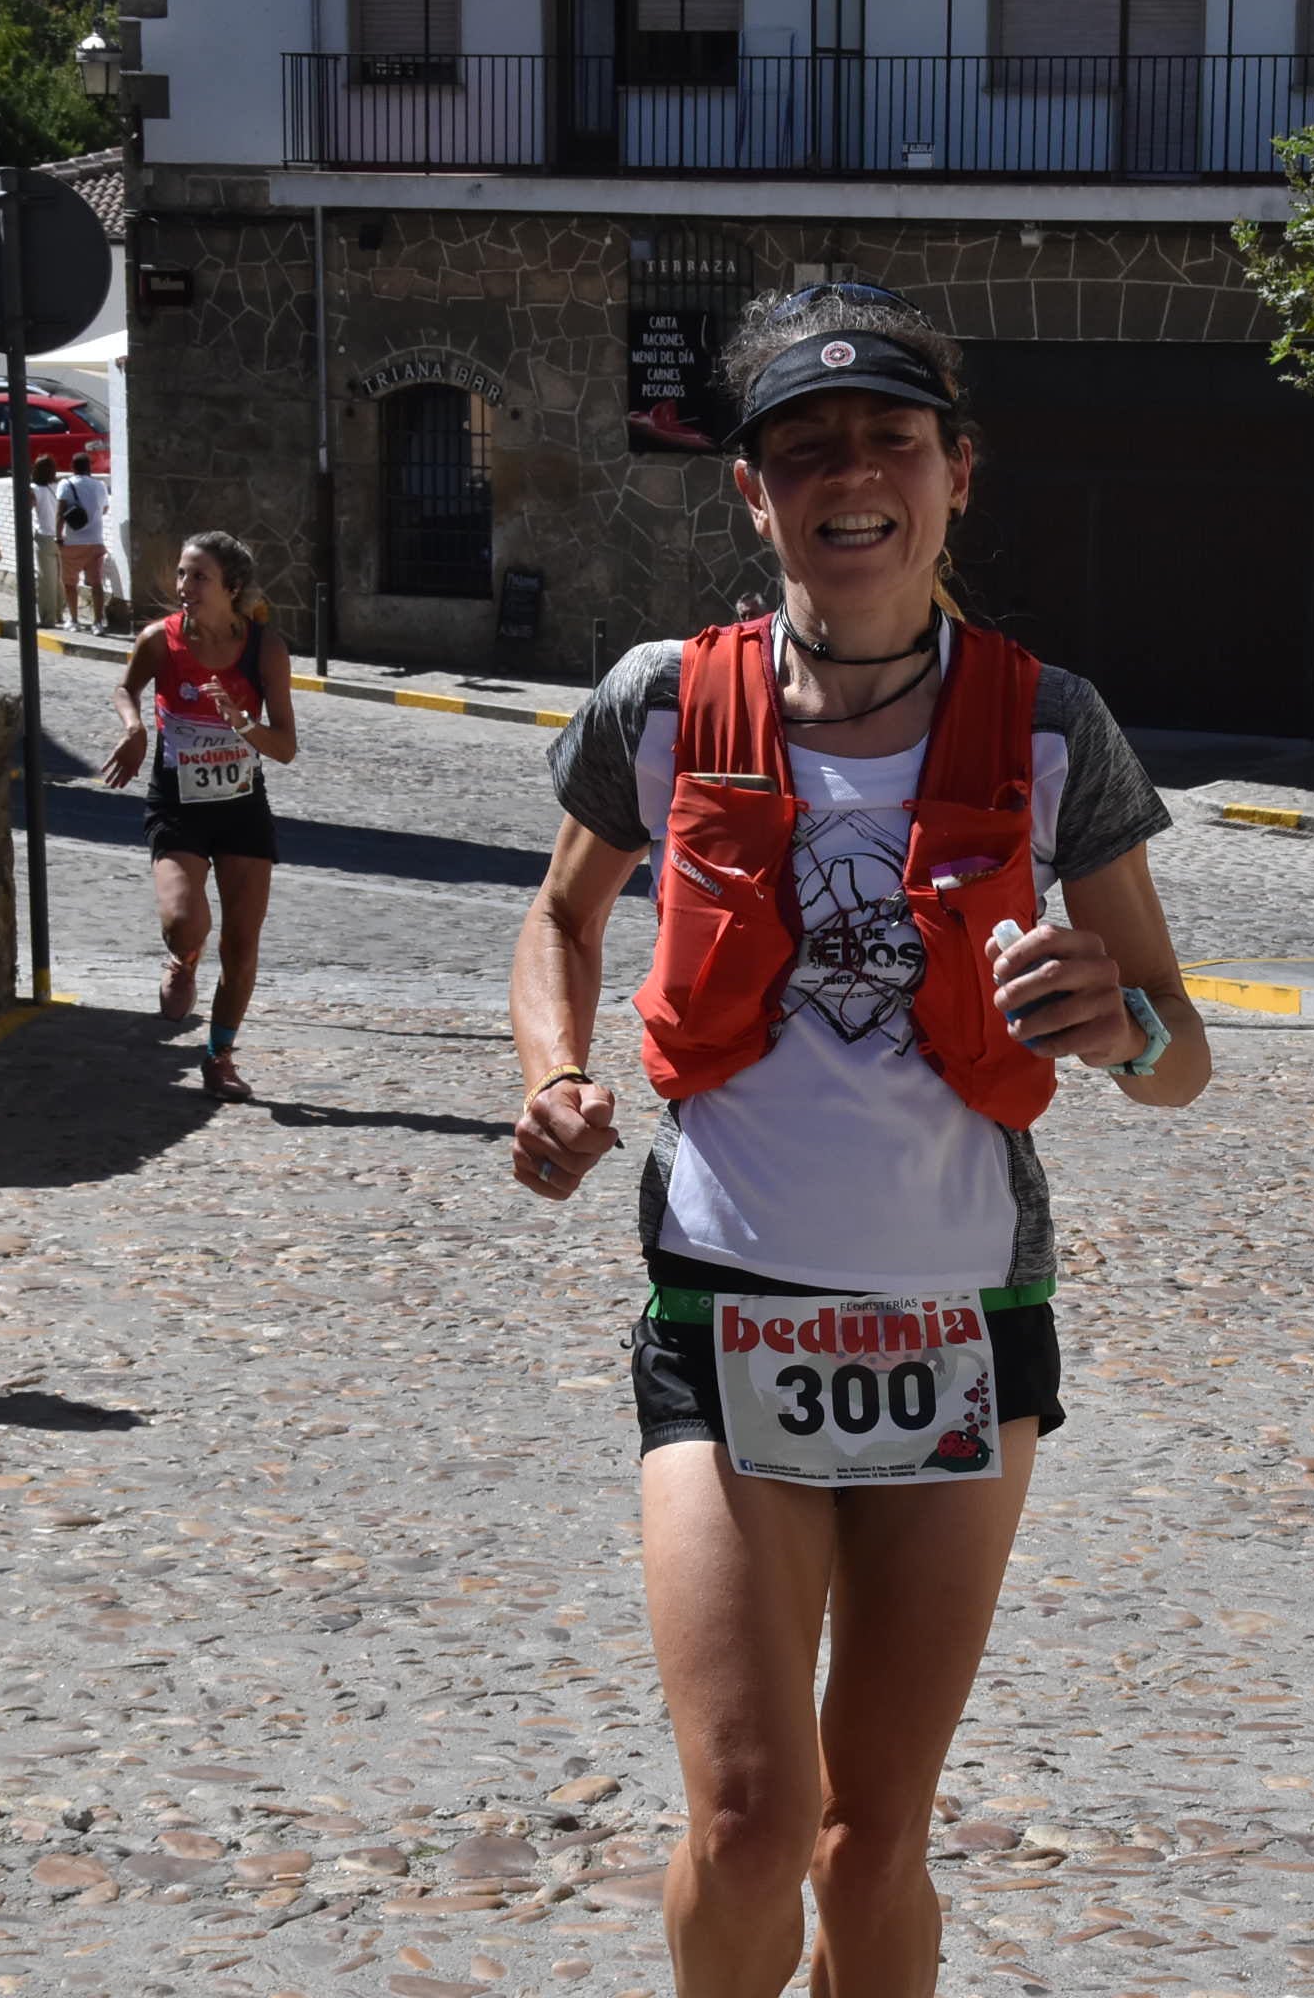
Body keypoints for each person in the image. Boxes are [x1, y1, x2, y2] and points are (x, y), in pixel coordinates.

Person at [510, 281, 1208, 1997]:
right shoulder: (662, 706)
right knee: (751, 1819)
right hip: (723, 1312)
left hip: (963, 1326)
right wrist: (551, 1073)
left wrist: (1114, 1022)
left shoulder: (1052, 728)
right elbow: (560, 920)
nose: (851, 473)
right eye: (801, 447)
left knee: (870, 1836)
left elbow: (1178, 1052)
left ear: (954, 473)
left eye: (889, 438)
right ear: (752, 493)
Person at [97, 532, 298, 1102]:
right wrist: (134, 729)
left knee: (241, 940)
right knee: (186, 920)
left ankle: (219, 1056)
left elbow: (284, 746)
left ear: (231, 588)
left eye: (199, 577)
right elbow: (125, 687)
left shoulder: (265, 650)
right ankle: (183, 959)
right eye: (182, 574)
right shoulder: (161, 641)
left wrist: (241, 724)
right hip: (177, 803)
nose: (184, 587)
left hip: (241, 808)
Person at [57, 451, 110, 631]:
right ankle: (98, 622)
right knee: (96, 584)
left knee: (70, 583)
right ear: (90, 468)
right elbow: (104, 509)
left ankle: (74, 620)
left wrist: (58, 536)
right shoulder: (100, 485)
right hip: (95, 541)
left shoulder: (65, 484)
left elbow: (60, 512)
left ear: (72, 467)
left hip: (72, 542)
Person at [27, 458, 65, 625]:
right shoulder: (60, 487)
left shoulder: (34, 489)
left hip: (44, 537)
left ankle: (47, 617)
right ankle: (60, 613)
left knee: (46, 580)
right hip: (63, 536)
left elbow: (27, 508)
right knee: (60, 578)